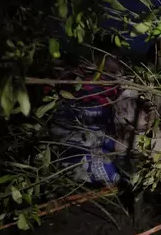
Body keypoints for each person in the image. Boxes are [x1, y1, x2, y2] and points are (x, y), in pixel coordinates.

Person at [48, 41, 122, 185]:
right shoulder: (78, 76)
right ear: (102, 56)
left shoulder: (116, 82)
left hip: (97, 131)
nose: (120, 61)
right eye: (116, 57)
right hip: (75, 127)